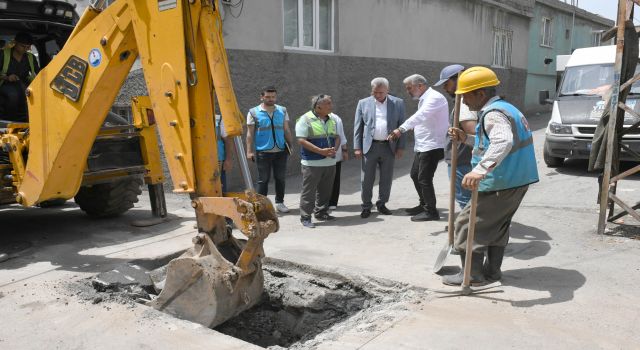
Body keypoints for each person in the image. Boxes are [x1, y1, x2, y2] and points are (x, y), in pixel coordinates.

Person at [442, 66, 539, 286]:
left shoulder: (493, 114)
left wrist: (478, 170)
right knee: (498, 225)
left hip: (501, 182)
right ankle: (492, 272)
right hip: (517, 180)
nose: (464, 102)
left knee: (466, 224)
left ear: (480, 94)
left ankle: (472, 275)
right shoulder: (506, 108)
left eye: (466, 95)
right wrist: (465, 138)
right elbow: (489, 142)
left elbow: (503, 142)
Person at [388, 74, 448, 221]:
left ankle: (431, 212)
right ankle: (424, 204)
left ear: (420, 85)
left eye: (409, 88)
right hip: (423, 145)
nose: (408, 91)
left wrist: (400, 129)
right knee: (415, 175)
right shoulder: (425, 98)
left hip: (432, 146)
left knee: (424, 178)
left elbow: (421, 115)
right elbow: (425, 118)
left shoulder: (434, 97)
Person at [354, 77, 406, 218]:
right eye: (375, 92)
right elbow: (358, 127)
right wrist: (357, 147)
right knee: (366, 179)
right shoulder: (363, 103)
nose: (377, 95)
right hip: (369, 147)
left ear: (387, 91)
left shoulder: (398, 103)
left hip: (389, 147)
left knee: (386, 177)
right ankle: (366, 206)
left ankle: (382, 203)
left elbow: (402, 126)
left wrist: (400, 146)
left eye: (381, 93)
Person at [434, 64, 478, 209]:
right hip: (461, 160)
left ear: (458, 80)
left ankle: (467, 229)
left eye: (447, 84)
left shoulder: (464, 106)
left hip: (462, 161)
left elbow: (473, 134)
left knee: (465, 199)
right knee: (466, 198)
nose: (445, 88)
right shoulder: (464, 102)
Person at [246, 86, 295, 213]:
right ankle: (261, 207)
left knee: (280, 178)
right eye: (267, 97)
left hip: (280, 150)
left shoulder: (282, 110)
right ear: (261, 97)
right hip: (263, 151)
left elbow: (286, 129)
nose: (270, 99)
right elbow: (250, 134)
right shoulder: (253, 112)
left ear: (276, 97)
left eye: (273, 97)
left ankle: (280, 203)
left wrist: (290, 144)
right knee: (263, 180)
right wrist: (249, 151)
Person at [295, 94, 341, 228]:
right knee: (309, 192)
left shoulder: (332, 119)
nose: (331, 105)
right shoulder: (305, 119)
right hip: (312, 163)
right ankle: (305, 217)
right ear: (318, 106)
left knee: (326, 190)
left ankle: (321, 212)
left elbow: (337, 137)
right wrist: (321, 151)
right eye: (328, 103)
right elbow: (301, 140)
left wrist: (335, 149)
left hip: (330, 162)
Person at [0, 32, 39, 122]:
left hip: (23, 83)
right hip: (5, 83)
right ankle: (10, 121)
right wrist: (7, 77)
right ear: (15, 43)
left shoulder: (30, 57)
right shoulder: (2, 55)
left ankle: (29, 122)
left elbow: (40, 72)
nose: (25, 49)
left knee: (31, 95)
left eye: (28, 47)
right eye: (22, 46)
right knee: (13, 95)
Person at [328, 112, 349, 210]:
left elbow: (341, 136)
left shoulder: (336, 118)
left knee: (335, 178)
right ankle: (321, 202)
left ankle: (333, 202)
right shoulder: (310, 117)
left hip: (335, 154)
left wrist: (344, 150)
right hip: (318, 156)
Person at [214, 114, 234, 193]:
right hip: (201, 161)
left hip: (218, 160)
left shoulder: (219, 120)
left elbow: (228, 141)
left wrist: (228, 160)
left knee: (220, 187)